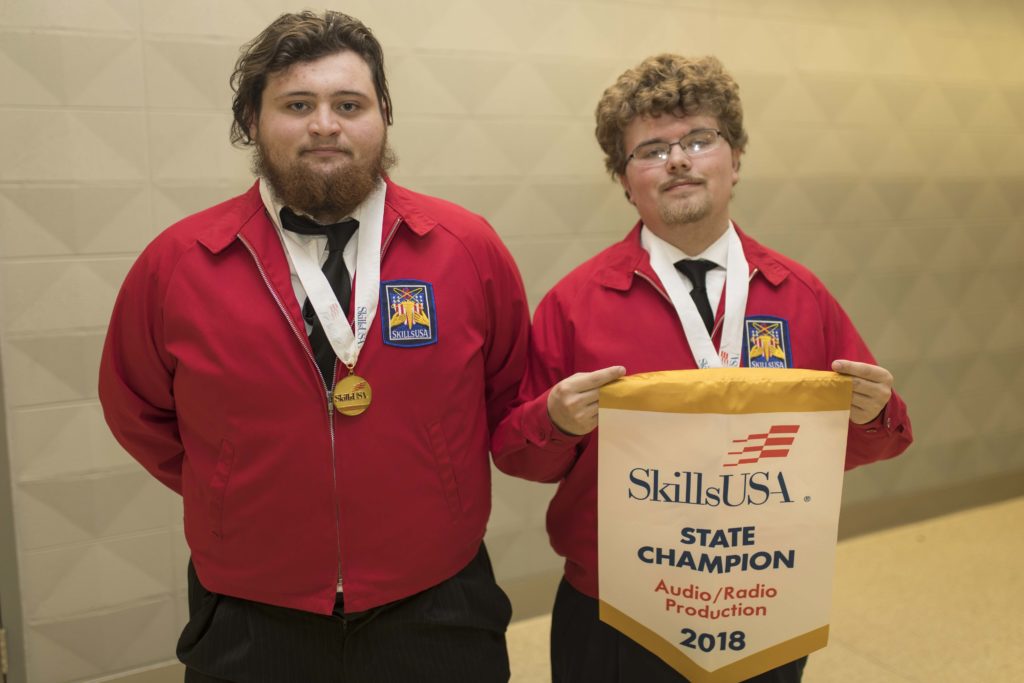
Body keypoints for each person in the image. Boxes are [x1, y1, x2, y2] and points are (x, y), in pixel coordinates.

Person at [98, 11, 528, 682]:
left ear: (382, 114)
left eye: (348, 104)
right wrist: (231, 481)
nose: (325, 124)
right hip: (250, 611)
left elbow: (506, 392)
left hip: (439, 598)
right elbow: (137, 410)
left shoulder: (467, 248)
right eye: (298, 104)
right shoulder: (178, 263)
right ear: (251, 118)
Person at [491, 54, 913, 683]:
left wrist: (877, 413)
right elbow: (519, 456)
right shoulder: (573, 305)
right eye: (651, 150)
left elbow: (867, 443)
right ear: (624, 179)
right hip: (615, 609)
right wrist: (555, 420)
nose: (679, 160)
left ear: (735, 159)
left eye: (698, 140)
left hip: (762, 599)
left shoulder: (800, 295)